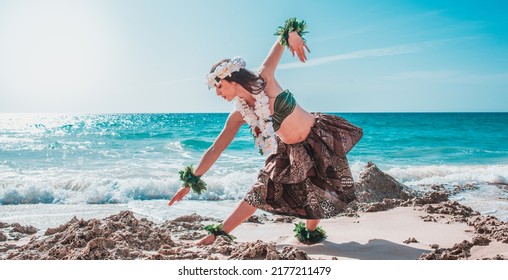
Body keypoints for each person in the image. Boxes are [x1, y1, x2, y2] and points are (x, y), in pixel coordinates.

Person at [168, 18, 363, 245]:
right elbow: (215, 149)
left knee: (318, 196)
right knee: (258, 192)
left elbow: (283, 37)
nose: (217, 93)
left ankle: (310, 232)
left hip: (317, 138)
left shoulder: (265, 78)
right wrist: (190, 182)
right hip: (287, 151)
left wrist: (293, 35)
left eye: (218, 86)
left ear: (230, 78)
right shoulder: (238, 115)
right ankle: (216, 236)